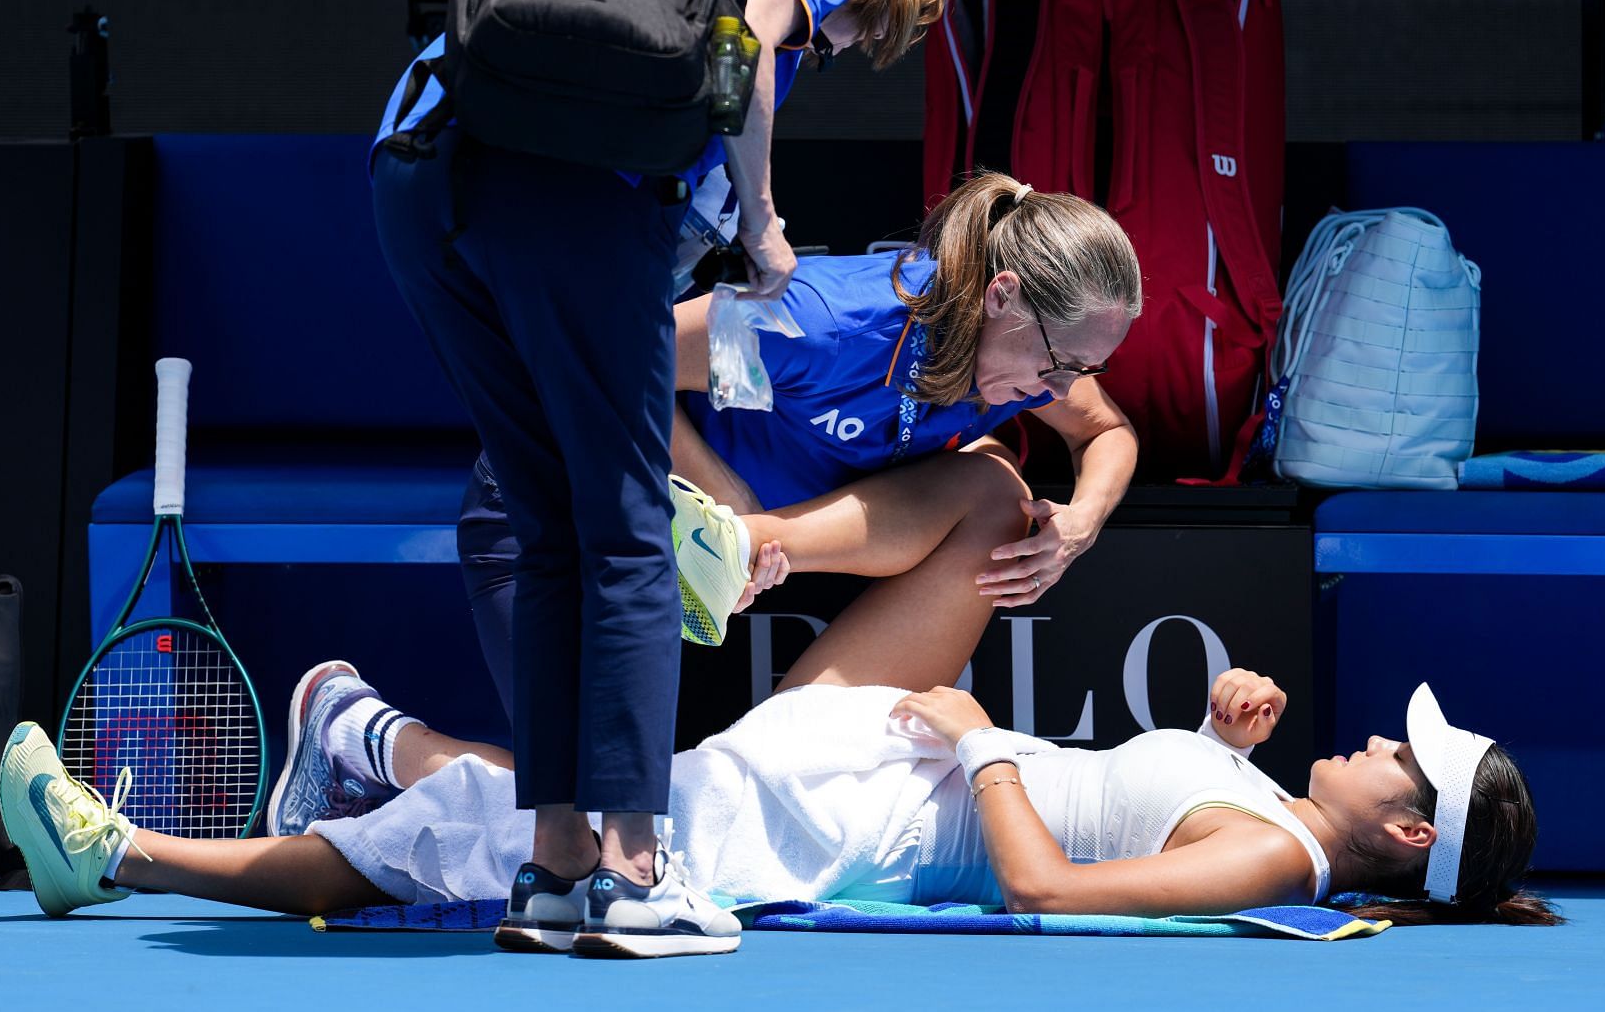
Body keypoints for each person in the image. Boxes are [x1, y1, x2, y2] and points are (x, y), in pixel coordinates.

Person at [369, 0, 964, 957]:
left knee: (549, 528)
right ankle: (637, 872)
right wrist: (763, 220)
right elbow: (749, 32)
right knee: (630, 536)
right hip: (572, 204)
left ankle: (554, 867)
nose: (878, 30)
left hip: (420, 177)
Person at [0, 652, 1558, 937]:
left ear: (1407, 830)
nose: (1373, 737)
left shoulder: (1273, 866)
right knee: (570, 796)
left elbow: (1050, 890)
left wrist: (976, 730)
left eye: (1395, 756)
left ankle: (123, 854)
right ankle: (362, 744)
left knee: (484, 842)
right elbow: (1123, 808)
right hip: (861, 778)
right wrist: (1222, 731)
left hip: (847, 827)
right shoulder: (1272, 812)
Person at [466, 170, 1144, 702]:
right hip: (564, 502)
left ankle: (747, 568)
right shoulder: (819, 326)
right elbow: (600, 376)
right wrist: (727, 498)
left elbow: (1106, 431)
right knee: (569, 805)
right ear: (1002, 295)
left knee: (995, 485)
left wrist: (1081, 521)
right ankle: (374, 736)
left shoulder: (1033, 359)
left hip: (721, 553)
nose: (1060, 392)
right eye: (1059, 367)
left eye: (1087, 369)